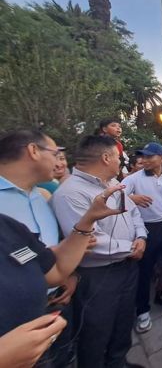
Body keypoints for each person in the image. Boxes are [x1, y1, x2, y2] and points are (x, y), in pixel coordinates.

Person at [0, 183, 124, 368]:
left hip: (49, 334)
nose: (59, 160)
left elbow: (54, 270)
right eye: (54, 153)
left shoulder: (8, 226)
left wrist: (88, 219)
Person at [51, 135, 147, 368]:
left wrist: (141, 237)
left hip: (127, 266)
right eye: (118, 156)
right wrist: (129, 248)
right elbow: (90, 240)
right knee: (96, 331)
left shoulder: (112, 184)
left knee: (123, 323)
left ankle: (118, 362)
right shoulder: (70, 193)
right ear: (106, 157)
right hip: (99, 275)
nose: (120, 161)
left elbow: (133, 213)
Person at [0, 130, 78, 366]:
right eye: (55, 153)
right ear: (33, 151)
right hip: (13, 330)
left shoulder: (43, 195)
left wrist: (69, 273)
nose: (59, 161)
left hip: (56, 303)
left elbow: (51, 250)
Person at [122, 142, 162, 333]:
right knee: (144, 272)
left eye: (149, 156)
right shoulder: (134, 179)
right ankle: (142, 311)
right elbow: (113, 196)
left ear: (161, 158)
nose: (143, 160)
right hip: (147, 229)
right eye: (142, 156)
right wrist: (131, 199)